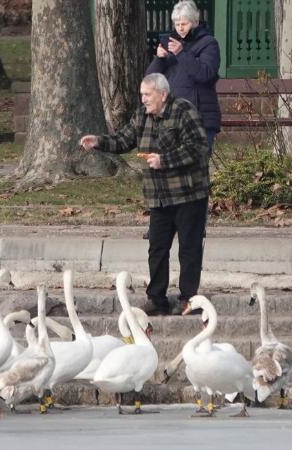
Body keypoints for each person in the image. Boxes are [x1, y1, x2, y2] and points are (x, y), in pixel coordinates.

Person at [79, 73, 209, 316]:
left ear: (163, 94)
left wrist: (165, 160)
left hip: (189, 194)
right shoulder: (142, 116)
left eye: (147, 94)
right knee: (157, 248)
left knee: (189, 249)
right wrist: (98, 141)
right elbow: (123, 140)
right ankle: (156, 299)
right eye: (142, 94)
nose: (143, 99)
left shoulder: (184, 111)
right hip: (158, 196)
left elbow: (199, 148)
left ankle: (188, 299)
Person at [146, 0, 220, 157]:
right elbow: (150, 79)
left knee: (197, 167)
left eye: (184, 24)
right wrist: (159, 59)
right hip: (173, 117)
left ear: (195, 22)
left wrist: (181, 53)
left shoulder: (209, 43)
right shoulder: (171, 44)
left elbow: (205, 74)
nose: (180, 28)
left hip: (200, 116)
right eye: (177, 24)